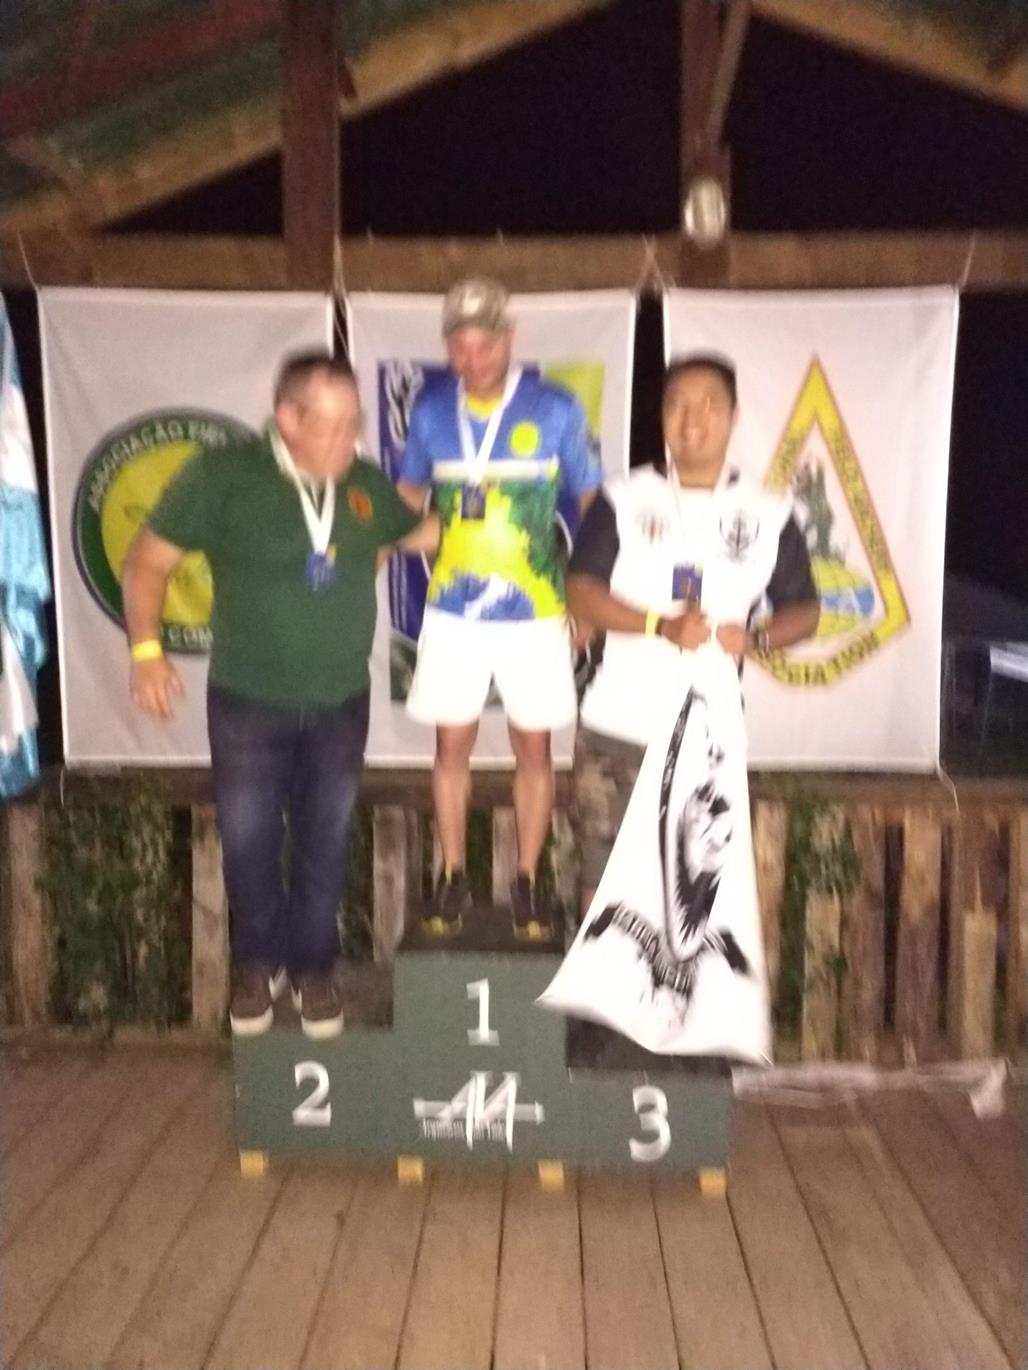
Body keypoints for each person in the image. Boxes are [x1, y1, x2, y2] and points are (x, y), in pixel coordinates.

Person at [122, 352, 433, 1039]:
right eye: (334, 425)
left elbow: (418, 533)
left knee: (326, 840)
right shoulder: (222, 475)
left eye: (356, 422)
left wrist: (498, 518)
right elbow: (146, 561)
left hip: (340, 702)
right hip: (248, 703)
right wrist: (146, 651)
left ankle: (314, 969)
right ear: (287, 419)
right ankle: (258, 966)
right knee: (249, 842)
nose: (351, 440)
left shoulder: (363, 482)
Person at [567, 353, 820, 914]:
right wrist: (658, 625)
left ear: (733, 416)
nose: (691, 419)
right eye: (677, 404)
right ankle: (599, 979)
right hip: (618, 726)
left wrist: (755, 639)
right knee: (602, 881)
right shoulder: (623, 497)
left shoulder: (770, 511)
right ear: (661, 415)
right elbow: (580, 590)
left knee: (695, 895)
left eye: (708, 405)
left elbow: (805, 611)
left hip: (710, 733)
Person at [397, 278, 601, 940]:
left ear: (510, 338)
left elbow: (595, 507)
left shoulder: (556, 408)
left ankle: (528, 876)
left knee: (533, 747)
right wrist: (368, 542)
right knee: (449, 744)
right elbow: (405, 504)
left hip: (536, 610)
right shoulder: (431, 413)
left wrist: (587, 595)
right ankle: (452, 871)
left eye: (484, 345)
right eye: (459, 346)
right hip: (453, 612)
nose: (471, 359)